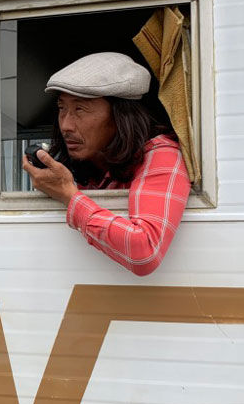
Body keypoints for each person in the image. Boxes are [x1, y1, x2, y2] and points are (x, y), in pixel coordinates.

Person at [21, 52, 190, 276]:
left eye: (80, 109)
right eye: (62, 109)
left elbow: (144, 251)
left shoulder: (162, 154)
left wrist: (68, 195)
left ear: (121, 116)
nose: (66, 125)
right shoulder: (94, 163)